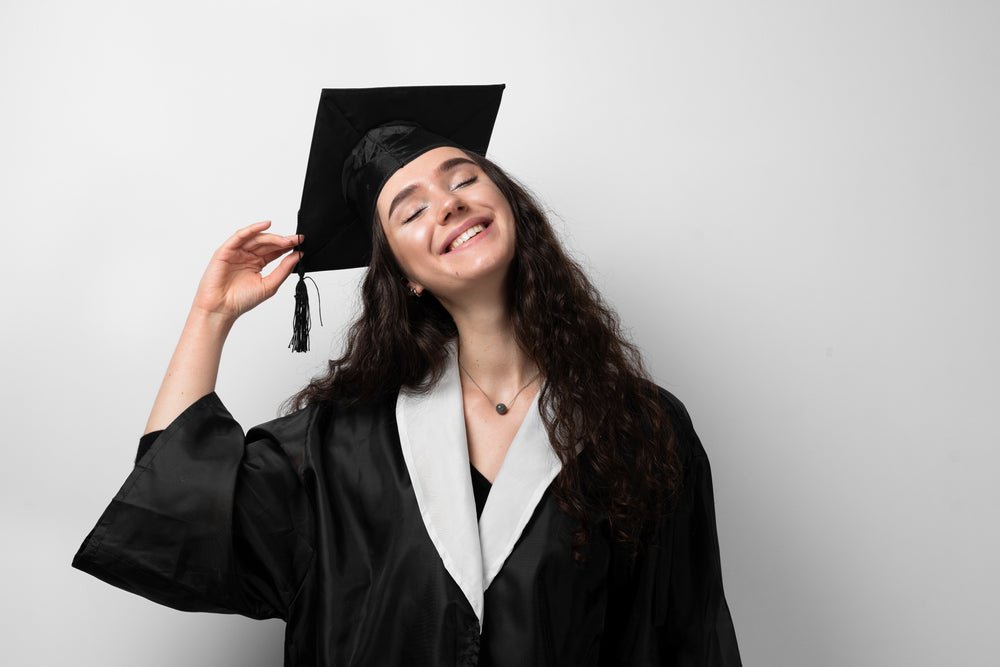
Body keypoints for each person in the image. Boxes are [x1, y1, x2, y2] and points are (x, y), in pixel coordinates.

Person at [72, 84, 742, 666]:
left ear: (508, 207)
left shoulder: (639, 425)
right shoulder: (340, 446)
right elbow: (172, 504)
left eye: (463, 179)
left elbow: (689, 637)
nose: (447, 204)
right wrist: (210, 314)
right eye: (410, 209)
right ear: (406, 277)